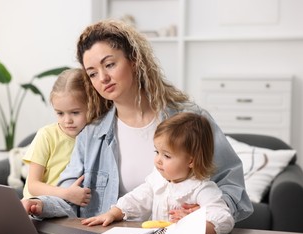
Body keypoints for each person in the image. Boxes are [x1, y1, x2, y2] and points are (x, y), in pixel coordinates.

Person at [22, 19, 253, 223]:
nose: (103, 78)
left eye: (110, 64)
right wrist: (40, 205)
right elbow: (69, 199)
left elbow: (233, 186)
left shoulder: (190, 120)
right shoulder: (91, 135)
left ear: (133, 60)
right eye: (92, 73)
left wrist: (206, 214)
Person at [81, 113, 235, 234]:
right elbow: (138, 197)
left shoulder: (202, 188)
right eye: (157, 152)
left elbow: (224, 218)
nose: (158, 160)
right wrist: (113, 213)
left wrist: (195, 226)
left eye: (167, 156)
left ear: (191, 161)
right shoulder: (158, 179)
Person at [21, 68, 91, 210]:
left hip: (66, 212)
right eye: (60, 113)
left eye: (75, 113)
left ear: (91, 105)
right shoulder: (46, 135)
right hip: (34, 208)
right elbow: (33, 185)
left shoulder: (93, 137)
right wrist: (67, 194)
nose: (67, 120)